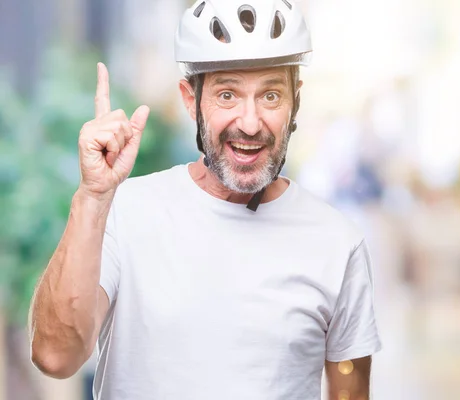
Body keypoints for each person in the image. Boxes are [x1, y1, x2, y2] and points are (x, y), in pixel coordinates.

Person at [27, 1, 382, 399]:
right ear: (189, 99)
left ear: (294, 101)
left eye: (270, 96)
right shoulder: (124, 211)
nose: (249, 123)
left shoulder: (337, 243)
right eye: (227, 94)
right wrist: (92, 196)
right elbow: (55, 356)